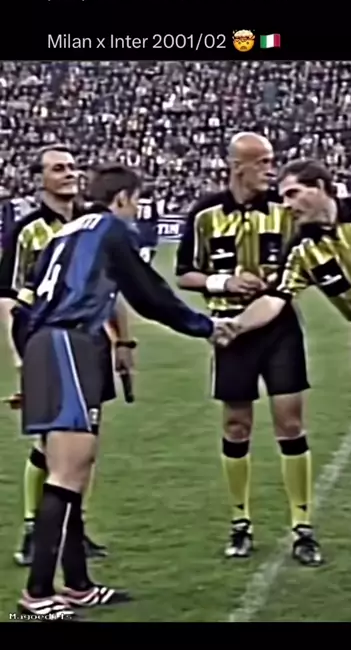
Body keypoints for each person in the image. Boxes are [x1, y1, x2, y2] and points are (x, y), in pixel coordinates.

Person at [15, 162, 231, 619]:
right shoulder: (111, 229)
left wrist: (30, 365)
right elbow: (149, 294)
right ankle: (37, 595)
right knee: (68, 471)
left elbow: (27, 302)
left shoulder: (63, 233)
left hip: (48, 342)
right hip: (69, 341)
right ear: (123, 199)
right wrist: (205, 326)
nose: (136, 212)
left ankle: (77, 584)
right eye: (136, 202)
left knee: (71, 468)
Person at [220, 157, 351, 569]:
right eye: (283, 197)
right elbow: (276, 299)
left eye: (294, 193)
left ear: (322, 187)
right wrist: (234, 326)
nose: (287, 204)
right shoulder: (303, 251)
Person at [176, 133, 322, 566]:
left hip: (279, 325)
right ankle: (240, 521)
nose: (270, 171)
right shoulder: (205, 214)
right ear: (237, 166)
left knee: (290, 423)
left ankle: (302, 525)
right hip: (230, 331)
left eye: (272, 162)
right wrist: (224, 282)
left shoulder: (284, 210)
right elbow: (185, 273)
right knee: (236, 424)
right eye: (262, 162)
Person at [0, 145, 118, 565]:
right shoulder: (27, 231)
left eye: (72, 167)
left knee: (85, 440)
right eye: (58, 168)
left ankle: (73, 530)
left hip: (92, 344)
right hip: (48, 345)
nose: (69, 174)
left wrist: (123, 342)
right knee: (50, 441)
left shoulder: (93, 224)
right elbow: (8, 297)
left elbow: (109, 286)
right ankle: (36, 529)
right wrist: (19, 357)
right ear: (40, 179)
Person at [135, 188, 159, 264]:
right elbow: (155, 216)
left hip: (138, 224)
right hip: (148, 225)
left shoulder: (136, 202)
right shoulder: (152, 203)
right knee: (147, 246)